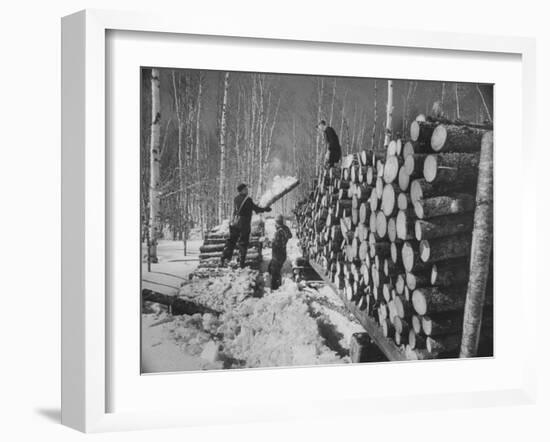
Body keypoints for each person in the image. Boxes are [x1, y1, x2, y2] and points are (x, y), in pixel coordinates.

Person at [220, 183, 272, 268]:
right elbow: (256, 209)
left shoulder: (236, 199)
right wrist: (265, 209)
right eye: (245, 189)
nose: (247, 190)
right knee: (243, 243)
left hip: (234, 223)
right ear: (242, 190)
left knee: (231, 242)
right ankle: (241, 262)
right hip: (244, 224)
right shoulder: (248, 200)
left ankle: (224, 258)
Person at [268, 214, 293, 290]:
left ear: (277, 222)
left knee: (274, 271)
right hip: (282, 253)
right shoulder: (285, 229)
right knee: (272, 268)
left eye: (275, 223)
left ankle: (275, 288)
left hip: (277, 254)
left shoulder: (279, 232)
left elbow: (276, 244)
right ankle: (275, 285)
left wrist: (269, 243)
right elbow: (290, 236)